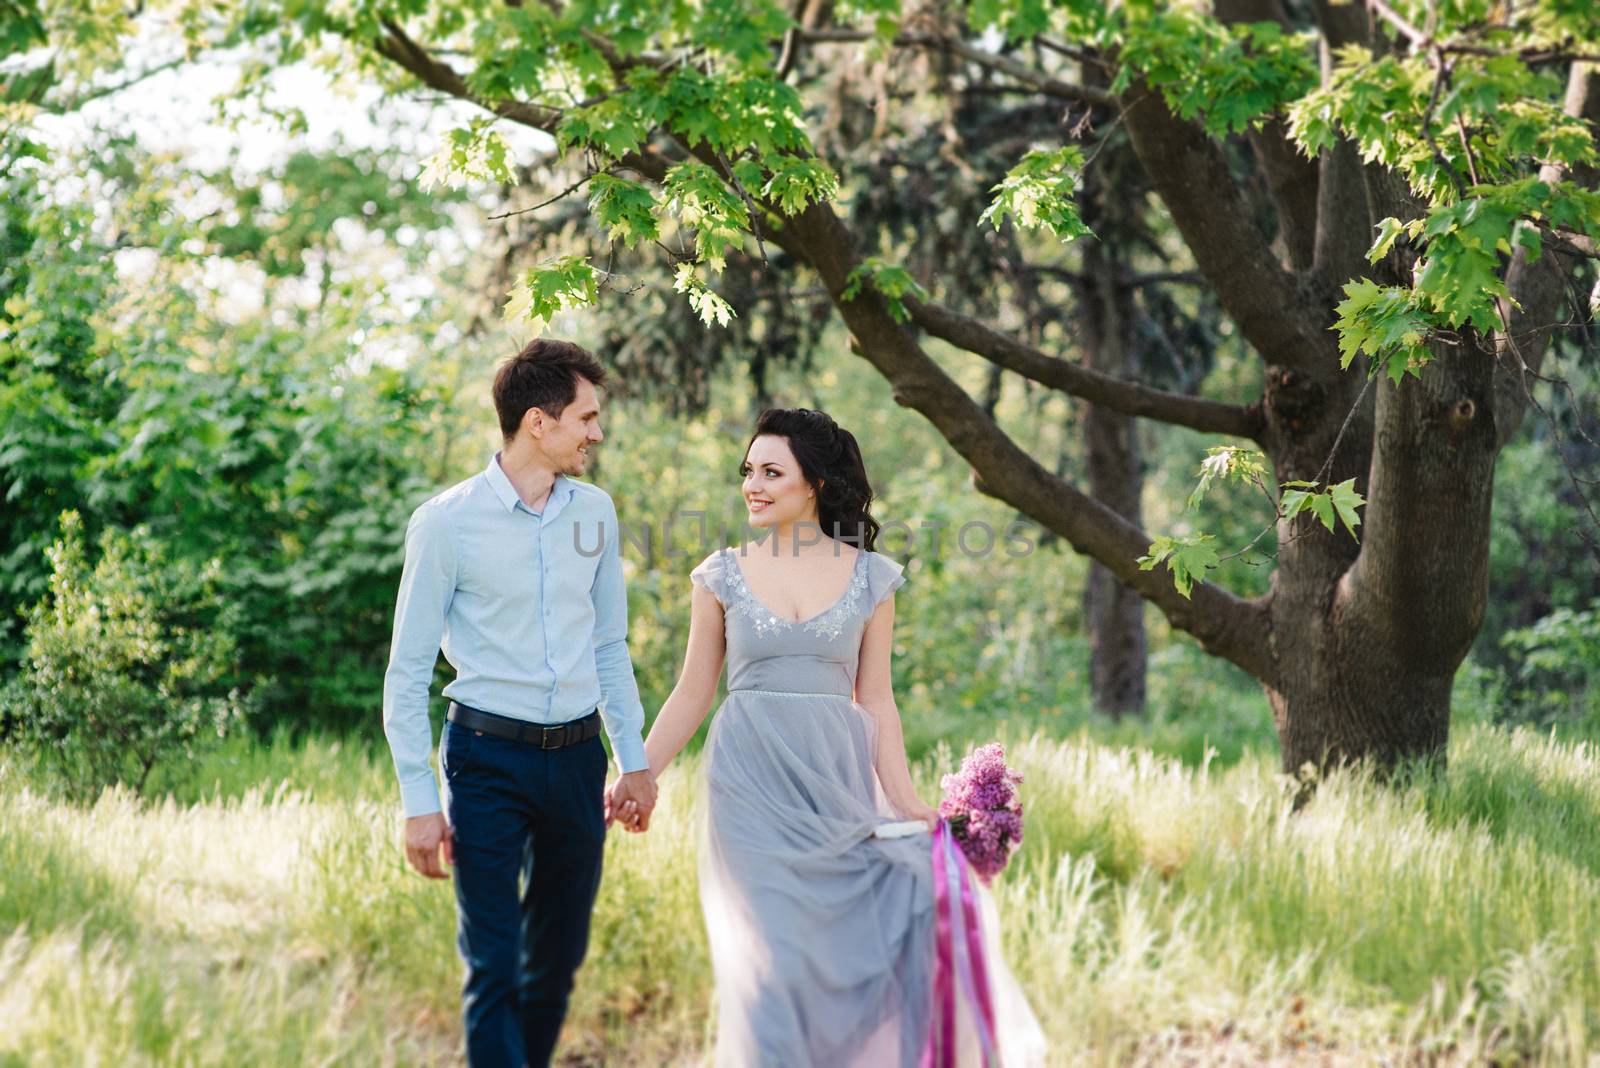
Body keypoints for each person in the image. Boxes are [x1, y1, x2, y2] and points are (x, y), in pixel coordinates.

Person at [612, 407, 1045, 1066]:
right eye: (748, 471)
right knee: (774, 963)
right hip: (750, 786)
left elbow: (876, 698)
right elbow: (694, 692)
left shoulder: (872, 578)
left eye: (770, 471)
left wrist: (905, 800)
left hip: (838, 785)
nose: (751, 485)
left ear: (812, 482)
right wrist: (638, 772)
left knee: (874, 939)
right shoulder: (720, 573)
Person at [381, 338, 658, 1067]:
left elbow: (608, 647)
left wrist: (633, 761)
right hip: (485, 761)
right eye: (587, 418)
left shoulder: (595, 511)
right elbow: (407, 671)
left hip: (576, 764)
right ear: (540, 421)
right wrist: (418, 799)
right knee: (494, 965)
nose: (597, 433)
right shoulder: (445, 523)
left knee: (554, 963)